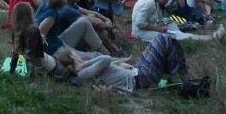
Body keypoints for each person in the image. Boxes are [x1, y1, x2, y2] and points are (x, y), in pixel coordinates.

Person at [57, 32, 189, 92]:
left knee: (163, 40)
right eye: (76, 55)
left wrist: (120, 61)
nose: (79, 56)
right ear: (73, 58)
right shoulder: (83, 73)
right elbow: (106, 59)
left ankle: (175, 74)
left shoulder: (85, 70)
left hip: (136, 71)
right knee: (162, 39)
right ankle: (179, 74)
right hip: (139, 79)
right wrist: (83, 64)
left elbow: (108, 64)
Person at [132, 0, 223, 43]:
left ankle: (182, 35)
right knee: (170, 35)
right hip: (140, 32)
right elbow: (139, 24)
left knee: (170, 23)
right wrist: (158, 28)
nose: (166, 1)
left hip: (151, 24)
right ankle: (209, 38)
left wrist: (161, 25)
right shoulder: (149, 2)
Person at [9, 1, 60, 76]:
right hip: (50, 66)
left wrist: (12, 72)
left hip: (51, 66)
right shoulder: (30, 31)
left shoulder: (26, 31)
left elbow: (25, 56)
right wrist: (12, 72)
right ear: (30, 15)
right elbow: (27, 56)